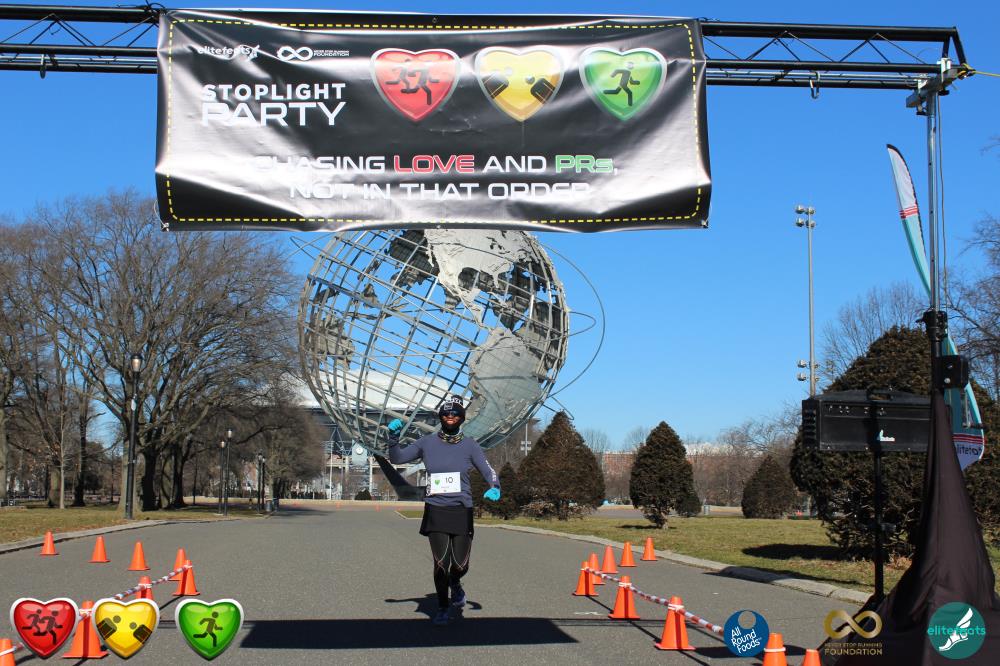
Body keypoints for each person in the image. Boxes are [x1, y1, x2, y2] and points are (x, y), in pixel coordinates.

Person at [386, 395, 501, 626]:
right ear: (440, 416)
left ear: (462, 418)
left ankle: (455, 584)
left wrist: (494, 486)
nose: (450, 416)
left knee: (460, 565)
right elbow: (397, 458)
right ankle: (442, 607)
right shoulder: (426, 443)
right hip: (436, 509)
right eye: (446, 413)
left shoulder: (470, 445)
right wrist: (392, 438)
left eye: (455, 413)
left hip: (461, 509)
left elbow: (487, 470)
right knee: (441, 563)